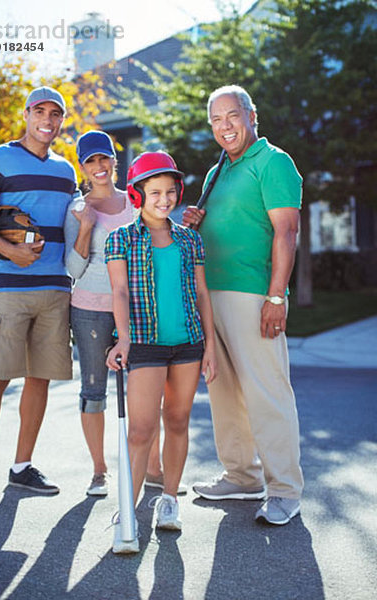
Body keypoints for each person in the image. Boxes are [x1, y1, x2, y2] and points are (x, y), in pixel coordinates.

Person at [183, 84, 304, 526]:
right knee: (224, 391)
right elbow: (221, 227)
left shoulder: (274, 162)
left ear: (252, 115)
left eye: (231, 115)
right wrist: (196, 219)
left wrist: (276, 296)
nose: (224, 126)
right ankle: (241, 475)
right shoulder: (218, 171)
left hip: (254, 294)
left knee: (267, 392)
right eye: (216, 119)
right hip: (211, 294)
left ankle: (285, 490)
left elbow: (286, 233)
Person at [105, 151, 217, 553]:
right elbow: (118, 291)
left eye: (170, 192)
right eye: (155, 192)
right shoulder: (121, 239)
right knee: (140, 430)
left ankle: (170, 500)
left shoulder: (190, 239)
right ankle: (129, 507)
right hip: (145, 343)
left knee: (178, 419)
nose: (164, 200)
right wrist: (122, 338)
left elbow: (202, 294)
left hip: (187, 343)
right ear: (138, 195)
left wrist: (211, 347)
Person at [0, 86, 77, 510]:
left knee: (40, 379)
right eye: (40, 111)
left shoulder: (66, 170)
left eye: (56, 114)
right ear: (26, 113)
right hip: (10, 290)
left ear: (61, 121)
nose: (48, 120)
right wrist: (10, 250)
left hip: (56, 290)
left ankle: (22, 468)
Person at [64, 130, 135, 496]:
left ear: (113, 161)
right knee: (94, 391)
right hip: (90, 310)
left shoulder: (134, 203)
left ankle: (148, 468)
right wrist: (86, 226)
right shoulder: (77, 209)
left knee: (142, 391)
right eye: (90, 161)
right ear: (83, 167)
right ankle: (99, 471)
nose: (98, 166)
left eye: (103, 158)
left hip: (134, 310)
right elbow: (73, 269)